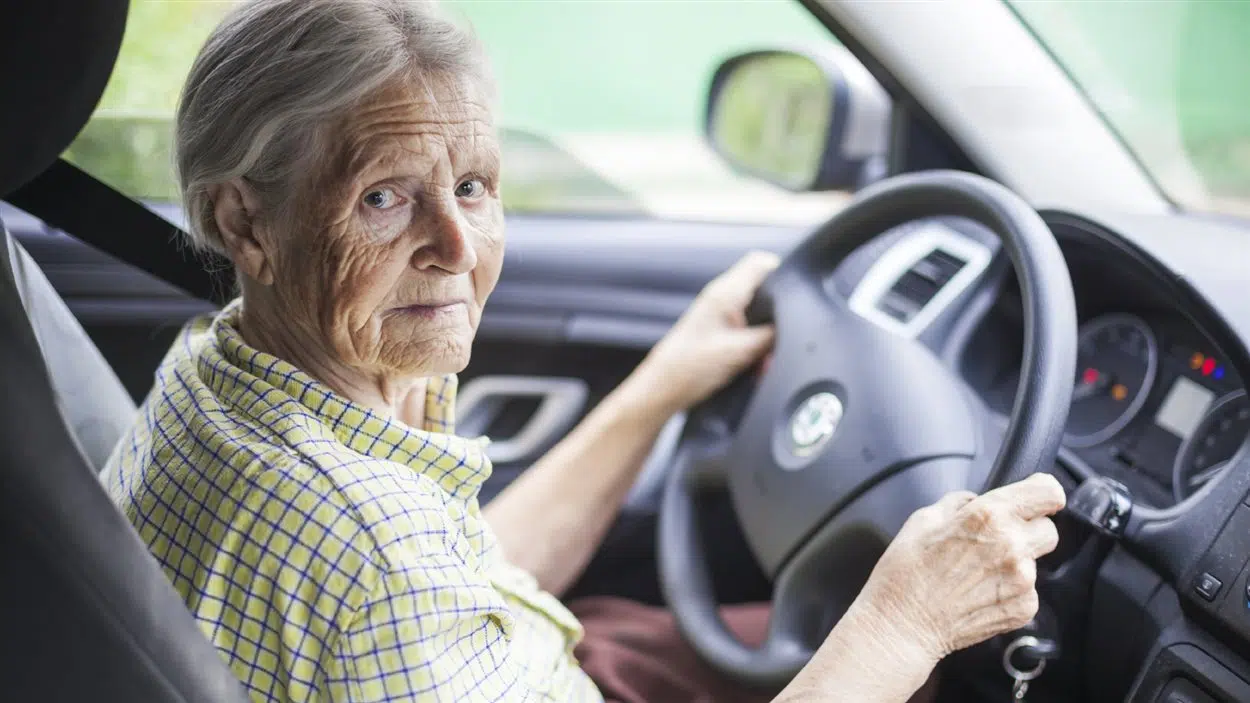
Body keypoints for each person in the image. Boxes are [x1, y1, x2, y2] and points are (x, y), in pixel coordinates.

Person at [101, 1, 1066, 701]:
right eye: (385, 197)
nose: (458, 246)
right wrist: (906, 620)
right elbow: (390, 579)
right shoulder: (364, 552)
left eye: (473, 185)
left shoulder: (224, 370)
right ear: (247, 224)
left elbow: (467, 580)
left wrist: (662, 386)